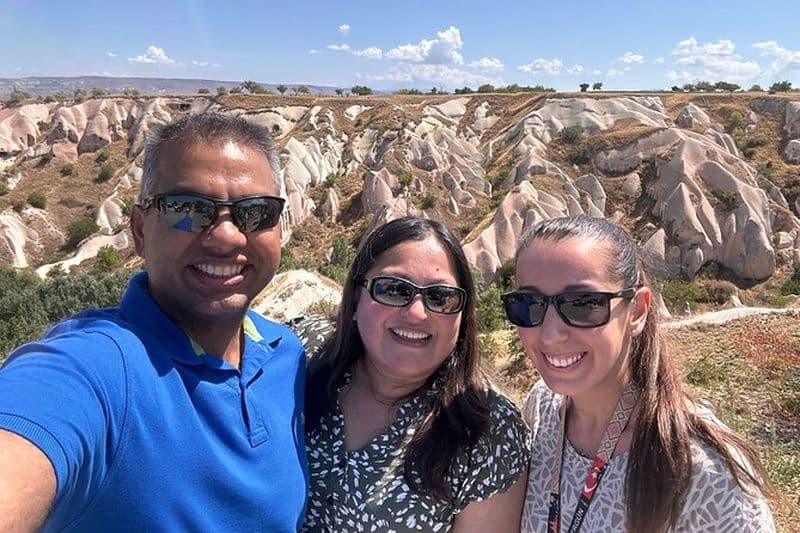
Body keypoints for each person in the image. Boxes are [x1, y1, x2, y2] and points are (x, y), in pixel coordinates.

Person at [0, 112, 308, 531]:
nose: (227, 236)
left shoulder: (286, 355)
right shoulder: (96, 367)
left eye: (255, 212)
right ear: (140, 229)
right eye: (188, 209)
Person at [502, 214, 775, 532]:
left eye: (582, 304)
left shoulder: (703, 471)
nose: (550, 334)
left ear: (637, 311)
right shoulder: (543, 407)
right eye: (528, 304)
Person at [297, 216, 530, 532]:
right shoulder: (301, 353)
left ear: (462, 316)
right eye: (393, 289)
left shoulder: (488, 431)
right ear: (354, 300)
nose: (417, 313)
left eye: (440, 297)